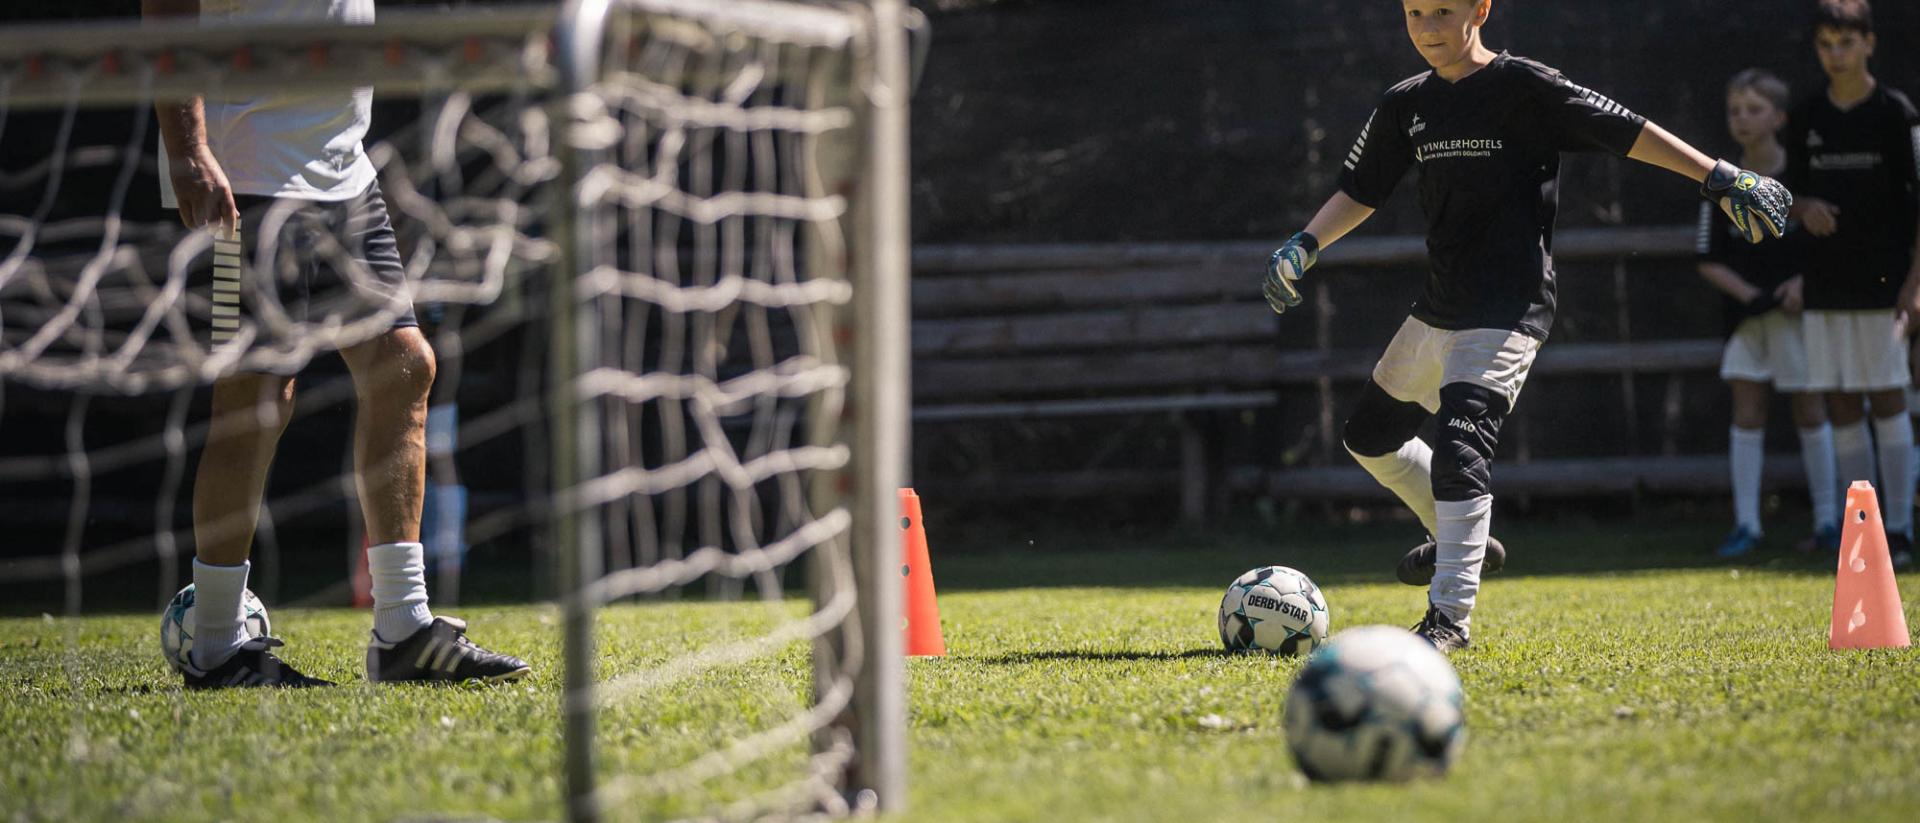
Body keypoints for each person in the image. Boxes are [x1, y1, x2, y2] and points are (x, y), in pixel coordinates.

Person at [1261, 0, 1791, 652]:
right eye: (1415, 12)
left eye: (1443, 11)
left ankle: (1447, 619)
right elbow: (1361, 189)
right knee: (1368, 438)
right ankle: (1463, 540)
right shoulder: (1405, 103)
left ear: (1481, 8)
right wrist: (1305, 243)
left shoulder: (1525, 86)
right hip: (1440, 306)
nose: (1427, 27)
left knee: (1462, 449)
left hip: (1509, 308)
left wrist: (1718, 175)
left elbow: (1628, 129)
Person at [146, 0, 528, 687]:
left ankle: (403, 630)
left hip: (346, 180)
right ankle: (215, 646)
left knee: (405, 366)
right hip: (250, 185)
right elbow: (167, 10)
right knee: (257, 397)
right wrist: (187, 148)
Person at [1781, 0, 1920, 569]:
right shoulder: (1808, 113)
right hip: (1825, 286)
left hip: (1883, 287)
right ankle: (1866, 533)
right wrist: (1804, 206)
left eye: (1846, 42)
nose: (1835, 54)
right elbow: (1785, 197)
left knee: (1888, 398)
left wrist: (1912, 286)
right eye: (1825, 44)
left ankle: (1904, 529)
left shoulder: (1897, 114)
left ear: (1869, 44)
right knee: (1840, 401)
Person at [1696, 69, 1837, 558]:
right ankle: (1747, 527)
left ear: (1779, 117)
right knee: (1747, 412)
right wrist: (1751, 297)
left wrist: (1803, 286)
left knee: (1811, 409)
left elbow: (1829, 241)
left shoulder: (1804, 176)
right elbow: (1708, 259)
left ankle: (1828, 523)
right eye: (1735, 111)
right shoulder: (1721, 180)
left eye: (1754, 110)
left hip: (1800, 319)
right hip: (1747, 322)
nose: (1743, 120)